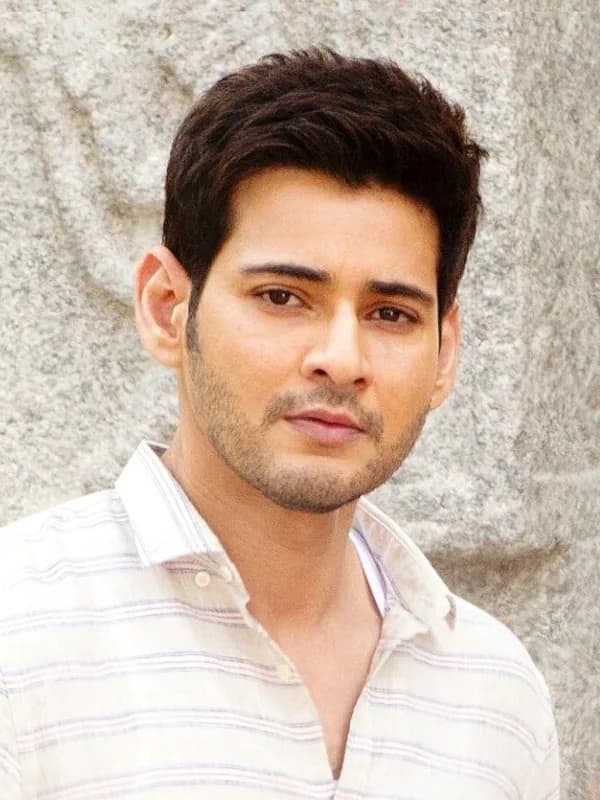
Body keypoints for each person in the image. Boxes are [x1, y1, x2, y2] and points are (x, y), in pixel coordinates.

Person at [0, 49, 559, 799]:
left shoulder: (495, 696)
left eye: (390, 313)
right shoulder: (20, 637)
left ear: (444, 353)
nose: (341, 359)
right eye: (282, 297)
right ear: (167, 309)